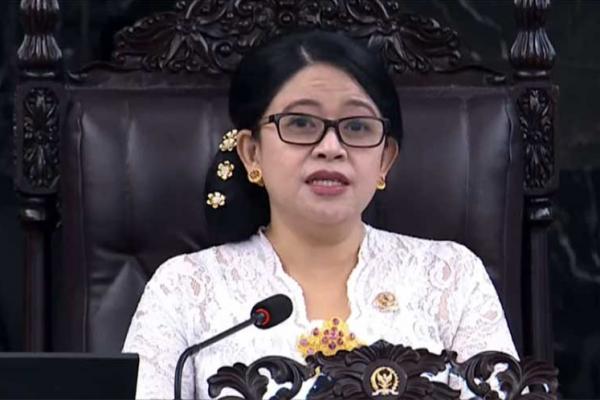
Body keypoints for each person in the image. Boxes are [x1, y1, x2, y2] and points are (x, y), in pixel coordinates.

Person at [123, 30, 517, 399]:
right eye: (300, 123)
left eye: (357, 127)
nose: (331, 147)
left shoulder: (452, 278)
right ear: (252, 153)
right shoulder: (184, 290)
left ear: (385, 160)